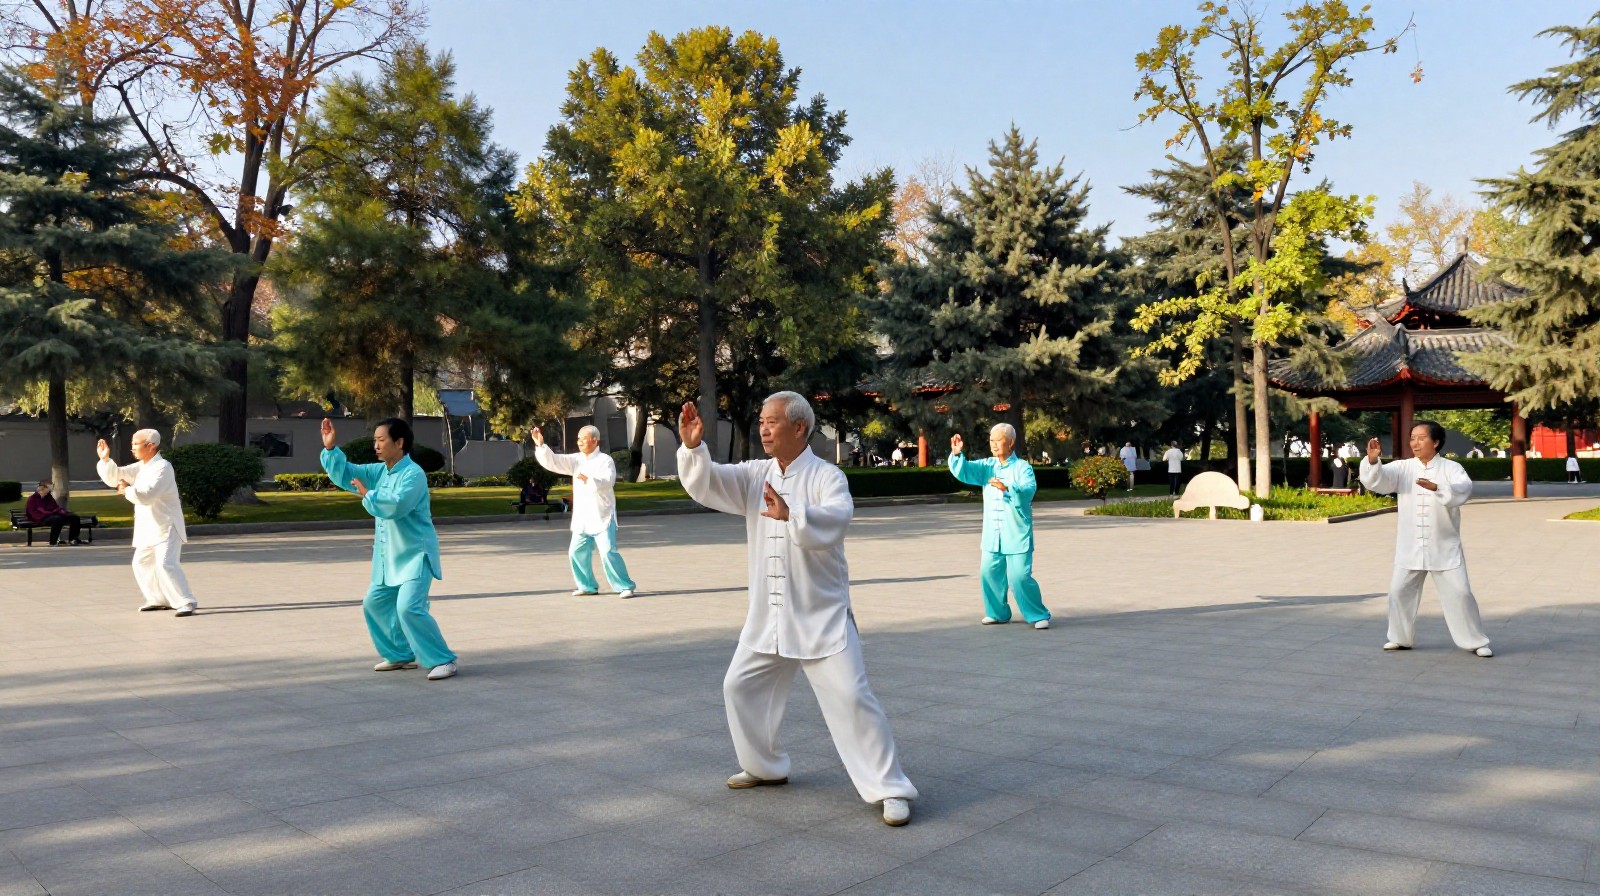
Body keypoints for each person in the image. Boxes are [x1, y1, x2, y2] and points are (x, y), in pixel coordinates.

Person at [676, 392, 918, 827]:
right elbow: (709, 483)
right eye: (762, 422)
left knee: (851, 696)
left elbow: (838, 518)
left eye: (772, 422)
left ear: (799, 428)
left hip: (820, 616)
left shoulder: (828, 477)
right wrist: (694, 448)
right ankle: (765, 767)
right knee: (739, 687)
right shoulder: (755, 475)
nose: (763, 429)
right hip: (768, 617)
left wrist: (793, 514)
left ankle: (890, 788)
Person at [321, 417, 458, 680]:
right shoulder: (380, 471)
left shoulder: (414, 474)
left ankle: (444, 659)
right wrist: (330, 449)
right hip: (390, 557)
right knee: (373, 603)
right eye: (375, 440)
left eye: (382, 440)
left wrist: (368, 495)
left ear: (400, 442)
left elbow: (397, 505)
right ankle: (400, 655)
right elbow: (347, 474)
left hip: (416, 555)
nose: (377, 445)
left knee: (409, 608)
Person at [1359, 421, 1493, 658]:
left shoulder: (1451, 468)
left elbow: (1464, 489)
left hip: (1444, 544)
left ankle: (1475, 641)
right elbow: (1377, 481)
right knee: (1398, 592)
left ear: (1436, 442)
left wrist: (1438, 487)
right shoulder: (1403, 468)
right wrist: (1372, 461)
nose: (1415, 443)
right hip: (1410, 544)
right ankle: (1399, 638)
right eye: (1412, 438)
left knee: (1461, 593)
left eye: (1421, 438)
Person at [949, 425, 1051, 630]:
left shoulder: (1022, 467)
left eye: (998, 440)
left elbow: (1029, 490)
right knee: (988, 572)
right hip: (992, 534)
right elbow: (965, 471)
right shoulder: (988, 466)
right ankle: (997, 612)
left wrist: (1008, 488)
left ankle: (1038, 614)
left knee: (1019, 577)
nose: (993, 444)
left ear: (1011, 442)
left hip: (1016, 532)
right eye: (991, 440)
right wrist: (957, 454)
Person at [95, 430, 198, 617]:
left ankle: (186, 601)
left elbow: (148, 495)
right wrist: (105, 460)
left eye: (136, 444)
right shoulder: (141, 467)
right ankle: (158, 599)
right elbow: (116, 476)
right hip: (148, 527)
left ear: (151, 445)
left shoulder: (163, 467)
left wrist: (126, 489)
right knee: (141, 563)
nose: (132, 447)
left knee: (166, 564)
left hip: (166, 525)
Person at [532, 424, 637, 599]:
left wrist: (588, 479)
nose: (579, 441)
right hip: (582, 516)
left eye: (583, 438)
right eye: (578, 438)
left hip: (602, 514)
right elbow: (554, 461)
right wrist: (541, 446)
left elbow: (608, 482)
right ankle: (587, 585)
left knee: (607, 551)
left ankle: (624, 586)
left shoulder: (605, 460)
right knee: (575, 552)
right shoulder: (576, 460)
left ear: (595, 441)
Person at [24, 479, 83, 546]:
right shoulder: (32, 499)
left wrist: (62, 512)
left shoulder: (49, 497)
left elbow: (55, 507)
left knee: (74, 518)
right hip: (41, 518)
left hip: (53, 515)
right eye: (48, 488)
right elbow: (33, 513)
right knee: (57, 519)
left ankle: (73, 539)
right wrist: (49, 513)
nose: (50, 490)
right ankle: (53, 541)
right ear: (42, 488)